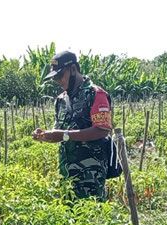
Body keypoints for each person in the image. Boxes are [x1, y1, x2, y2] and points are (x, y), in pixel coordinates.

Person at [32, 50, 114, 201]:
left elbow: (102, 130)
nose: (57, 80)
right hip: (66, 173)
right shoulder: (60, 100)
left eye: (59, 75)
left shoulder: (96, 94)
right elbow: (60, 132)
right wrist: (45, 135)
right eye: (54, 77)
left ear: (73, 69)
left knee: (91, 216)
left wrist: (64, 135)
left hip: (90, 174)